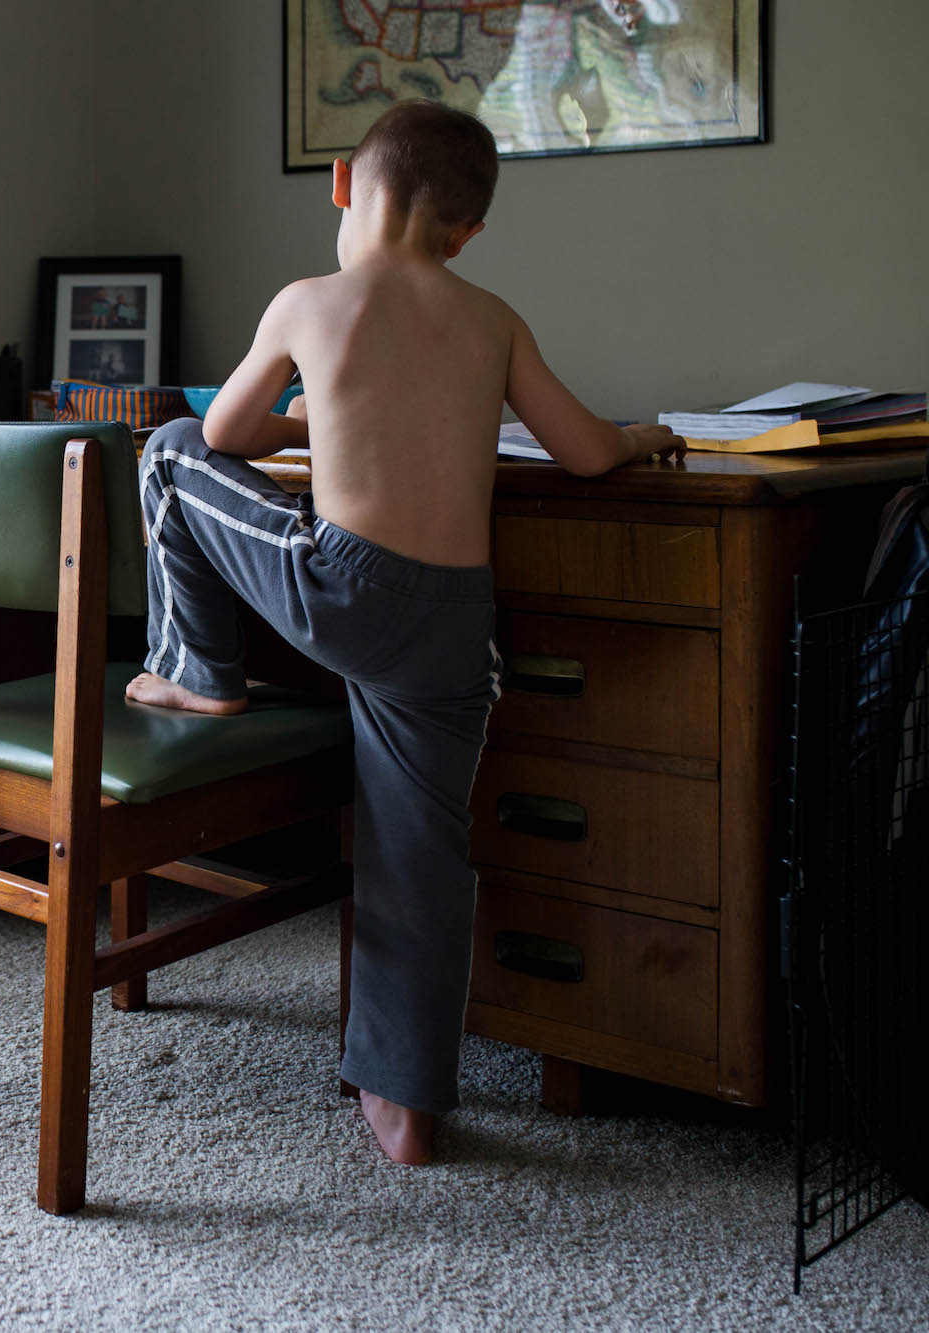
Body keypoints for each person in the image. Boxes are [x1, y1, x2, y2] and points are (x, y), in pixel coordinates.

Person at [124, 99, 682, 1166]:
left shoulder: (307, 301)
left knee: (166, 448)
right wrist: (642, 434)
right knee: (421, 852)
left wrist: (316, 419)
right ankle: (406, 1104)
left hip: (346, 592)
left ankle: (197, 670)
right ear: (465, 231)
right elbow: (581, 452)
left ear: (341, 183)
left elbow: (227, 434)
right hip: (454, 623)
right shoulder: (491, 317)